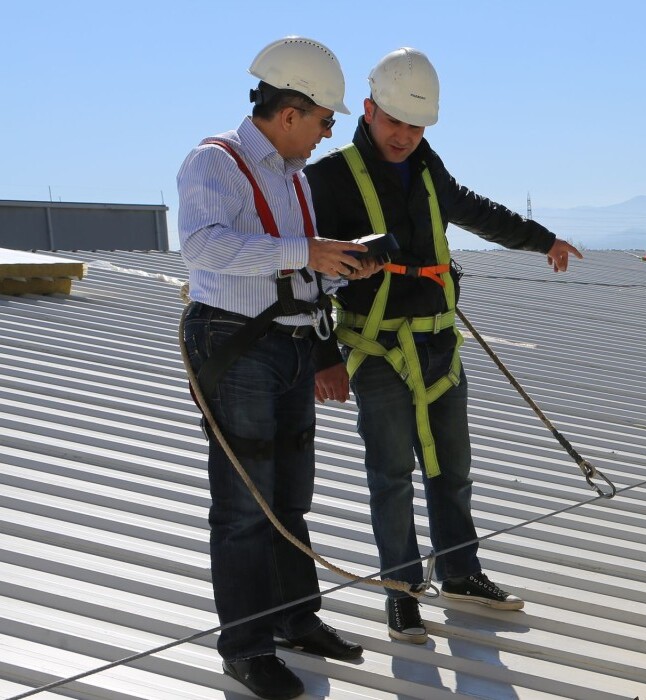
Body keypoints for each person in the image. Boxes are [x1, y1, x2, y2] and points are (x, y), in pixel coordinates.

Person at [305, 47, 583, 645]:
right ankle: (402, 594)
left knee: (451, 468)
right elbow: (303, 275)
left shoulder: (430, 170)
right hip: (374, 347)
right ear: (370, 110)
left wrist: (544, 241)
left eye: (417, 126)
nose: (405, 136)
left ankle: (460, 573)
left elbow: (477, 212)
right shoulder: (327, 178)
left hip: (437, 342)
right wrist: (323, 357)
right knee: (390, 473)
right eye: (395, 122)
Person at [177, 37, 375, 700]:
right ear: (290, 113)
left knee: (289, 498)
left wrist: (334, 273)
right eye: (325, 121)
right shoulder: (214, 162)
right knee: (243, 507)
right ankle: (246, 648)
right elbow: (203, 246)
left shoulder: (291, 178)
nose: (327, 134)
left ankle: (295, 619)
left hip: (288, 345)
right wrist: (306, 251)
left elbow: (294, 264)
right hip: (237, 345)